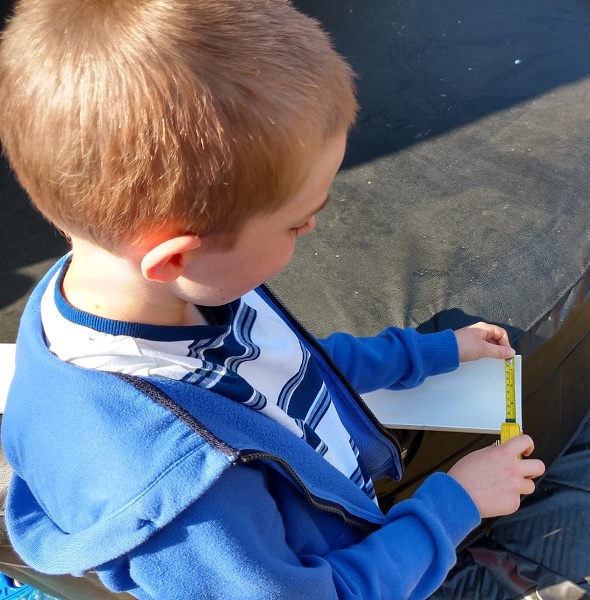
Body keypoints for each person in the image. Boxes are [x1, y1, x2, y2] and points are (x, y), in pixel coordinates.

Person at [0, 1, 546, 598]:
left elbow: (288, 369)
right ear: (176, 257)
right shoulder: (191, 504)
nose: (311, 229)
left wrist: (428, 353)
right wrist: (454, 504)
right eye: (296, 222)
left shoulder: (148, 288)